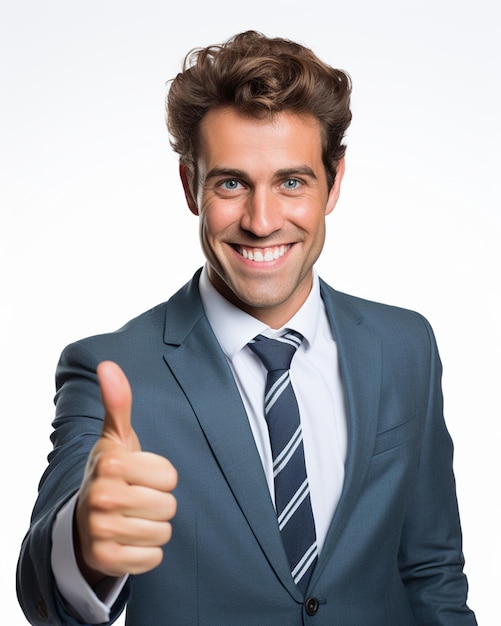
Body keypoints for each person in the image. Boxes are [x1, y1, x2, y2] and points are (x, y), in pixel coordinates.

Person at [17, 31, 476, 625]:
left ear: (334, 183)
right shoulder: (112, 370)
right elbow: (43, 590)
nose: (262, 222)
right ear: (191, 187)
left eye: (291, 182)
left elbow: (431, 571)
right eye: (231, 183)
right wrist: (85, 541)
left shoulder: (406, 345)